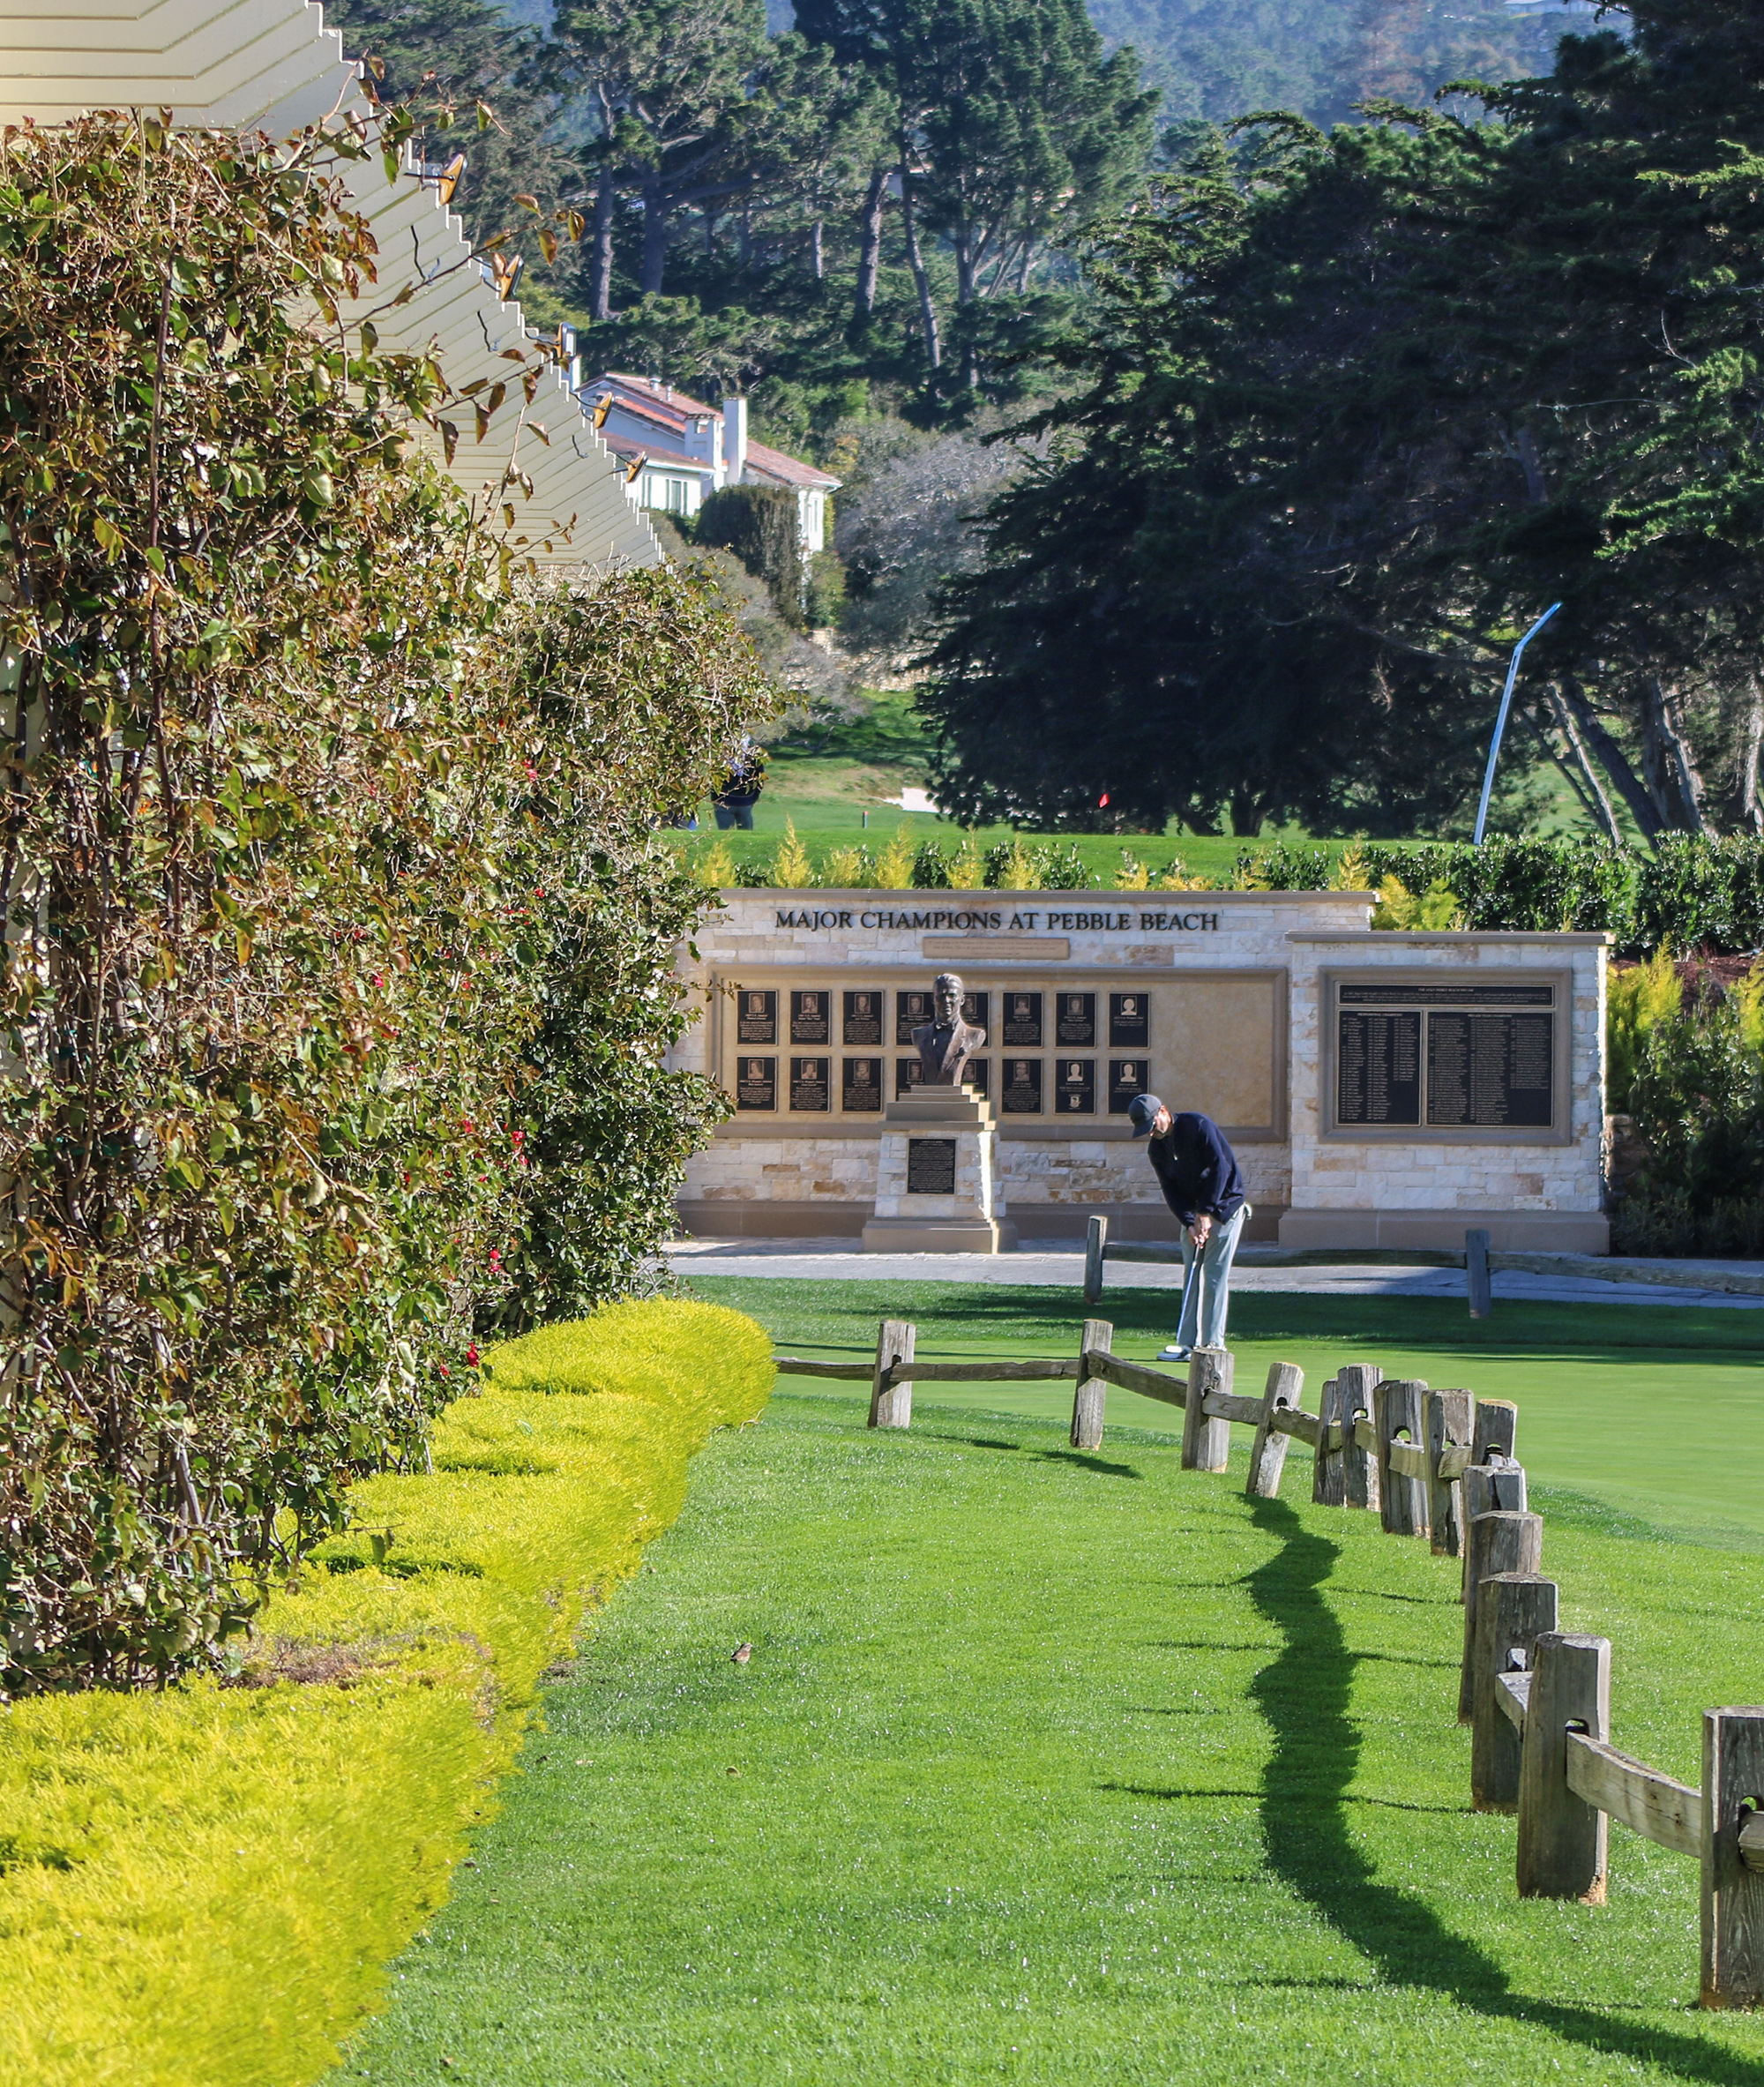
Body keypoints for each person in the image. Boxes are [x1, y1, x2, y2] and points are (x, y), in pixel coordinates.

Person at [1125, 1092, 1251, 1361]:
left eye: (1152, 1125)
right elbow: (1169, 1190)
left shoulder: (1197, 1125)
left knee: (1214, 1275)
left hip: (1225, 1206)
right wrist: (1188, 1221)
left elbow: (1221, 1168)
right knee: (1192, 1275)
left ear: (1164, 1112)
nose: (1151, 1133)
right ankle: (1186, 1345)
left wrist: (1206, 1212)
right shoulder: (1156, 1149)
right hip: (1194, 1214)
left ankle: (1213, 1345)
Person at [713, 740, 767, 830]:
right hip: (741, 801)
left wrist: (715, 798)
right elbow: (760, 778)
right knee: (745, 836)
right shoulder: (753, 754)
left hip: (731, 802)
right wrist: (753, 797)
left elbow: (713, 779)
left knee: (725, 837)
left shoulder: (721, 754)